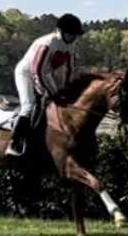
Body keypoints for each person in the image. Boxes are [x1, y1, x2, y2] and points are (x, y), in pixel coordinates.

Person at [6, 13, 82, 157]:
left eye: (75, 35)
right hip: (26, 73)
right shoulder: (47, 43)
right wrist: (48, 91)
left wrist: (66, 88)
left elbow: (69, 69)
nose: (73, 38)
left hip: (46, 74)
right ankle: (14, 143)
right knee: (29, 106)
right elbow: (37, 70)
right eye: (71, 34)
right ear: (61, 32)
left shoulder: (70, 45)